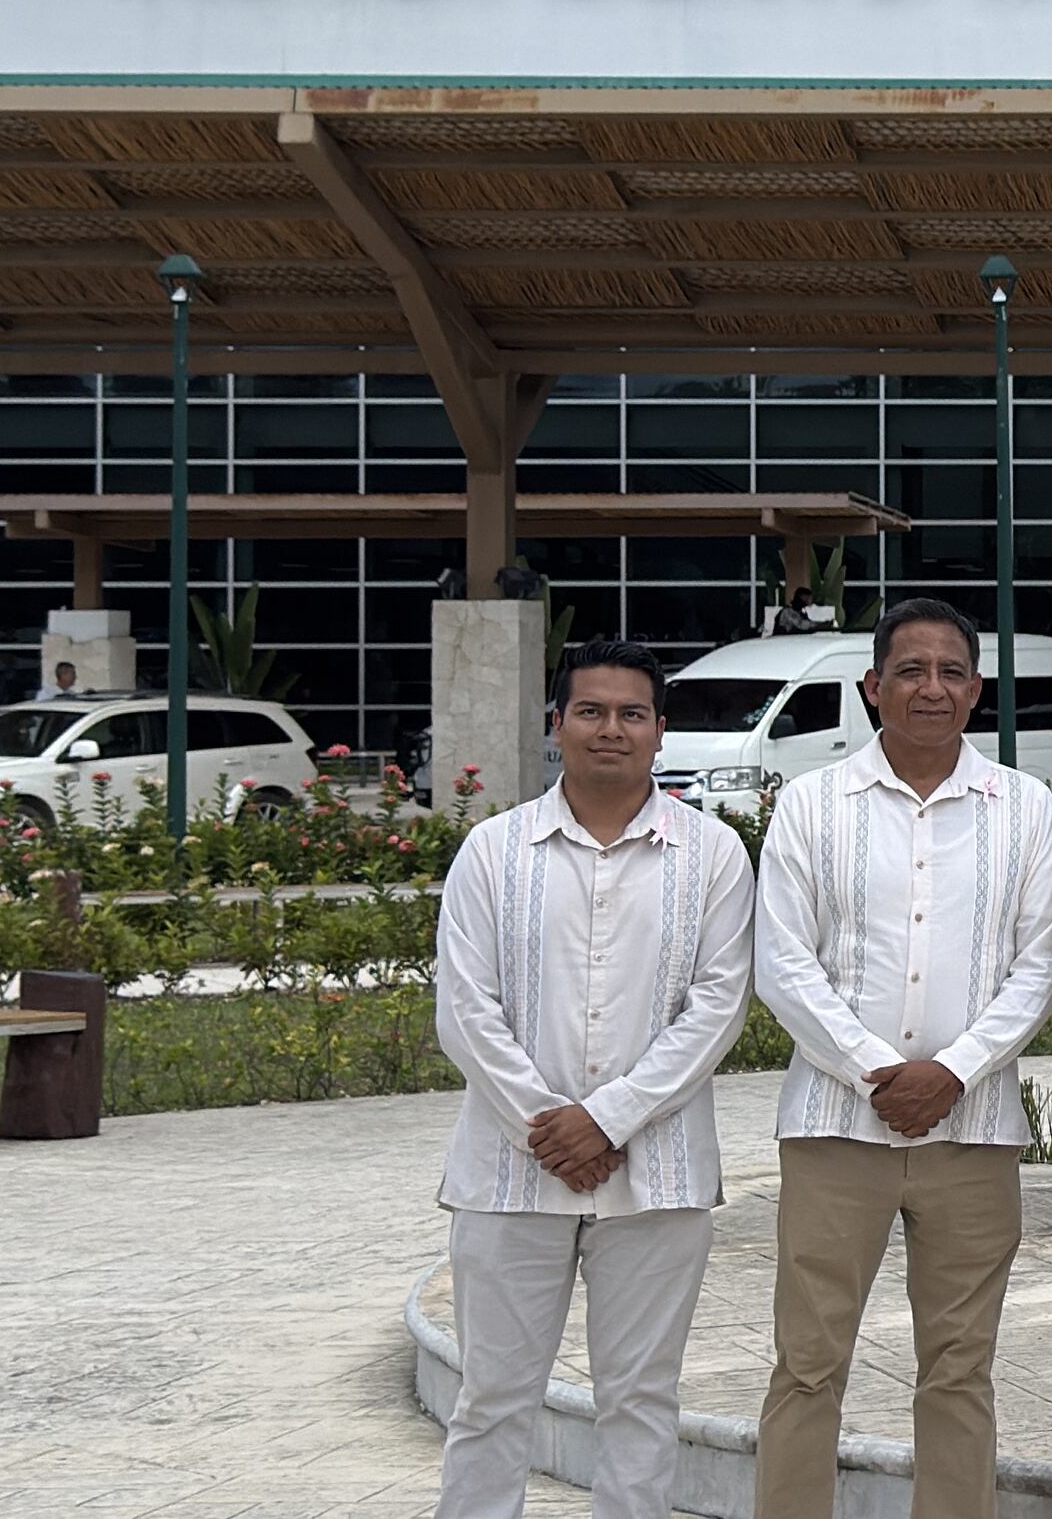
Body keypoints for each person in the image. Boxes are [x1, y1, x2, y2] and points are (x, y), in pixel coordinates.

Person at [749, 595, 1052, 1519]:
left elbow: (1042, 964)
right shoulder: (814, 805)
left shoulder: (1021, 810)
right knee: (808, 1364)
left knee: (961, 1368)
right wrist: (874, 1072)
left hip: (972, 1136)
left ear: (977, 689)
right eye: (910, 670)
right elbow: (783, 961)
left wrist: (954, 1072)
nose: (930, 688)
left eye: (949, 672)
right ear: (872, 687)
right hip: (834, 1130)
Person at [427, 637, 760, 1519]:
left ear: (660, 732)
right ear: (557, 725)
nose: (611, 730)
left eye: (632, 714)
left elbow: (718, 1007)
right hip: (510, 1174)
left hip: (659, 1178)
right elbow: (464, 1010)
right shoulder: (494, 852)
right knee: (492, 1400)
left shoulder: (714, 856)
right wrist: (552, 1124)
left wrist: (607, 1120)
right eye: (591, 712)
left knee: (642, 1401)